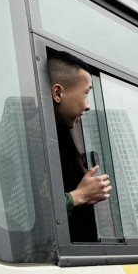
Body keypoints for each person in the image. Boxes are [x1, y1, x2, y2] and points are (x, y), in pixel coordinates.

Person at [48, 49, 111, 242]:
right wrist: (78, 196)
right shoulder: (34, 136)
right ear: (58, 93)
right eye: (86, 93)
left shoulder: (61, 134)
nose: (88, 105)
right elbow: (29, 212)